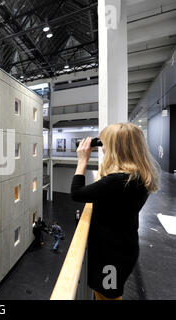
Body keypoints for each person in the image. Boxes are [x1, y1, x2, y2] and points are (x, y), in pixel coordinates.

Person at [71, 123, 160, 301]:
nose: (102, 148)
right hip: (122, 250)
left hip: (109, 259)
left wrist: (82, 160)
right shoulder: (138, 175)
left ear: (115, 148)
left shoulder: (117, 182)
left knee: (107, 296)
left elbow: (77, 193)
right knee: (107, 294)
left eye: (104, 143)